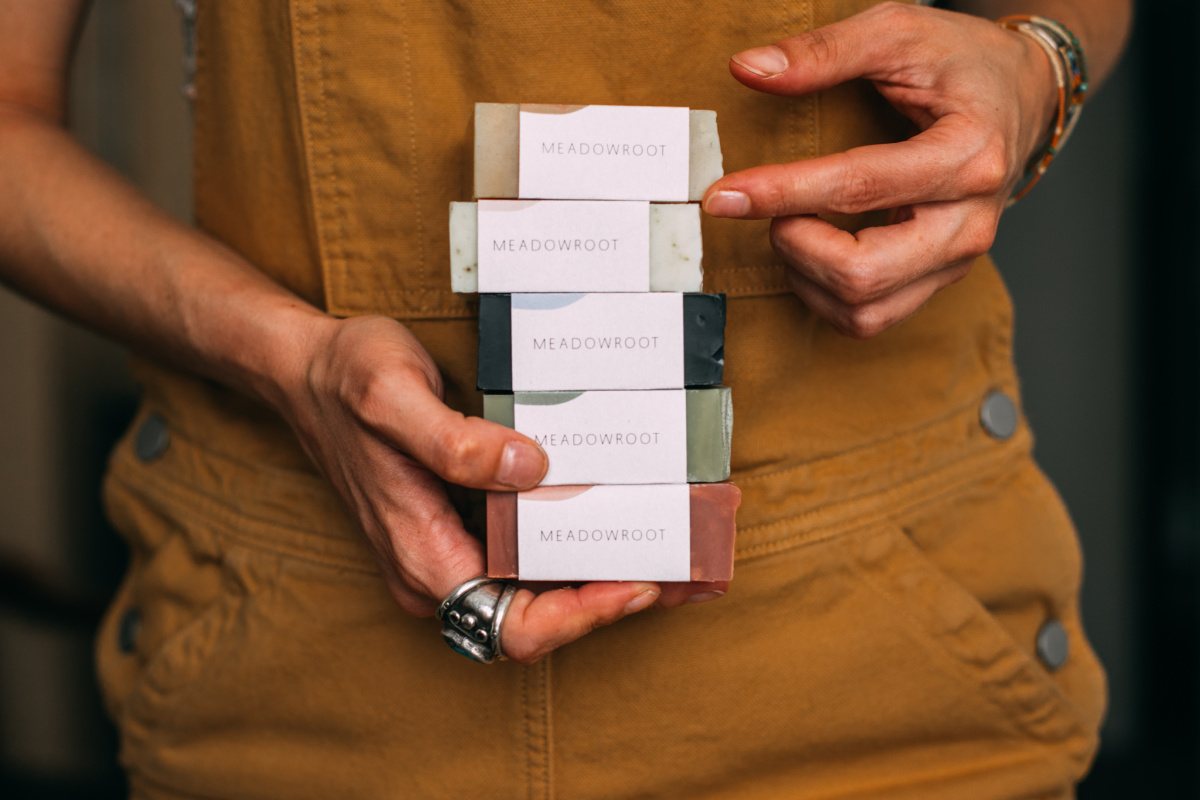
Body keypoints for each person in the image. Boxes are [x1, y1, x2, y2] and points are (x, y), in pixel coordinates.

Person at [0, 0, 1131, 796]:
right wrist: (283, 358)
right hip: (304, 674)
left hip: (876, 655)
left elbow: (1059, 19)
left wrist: (1033, 72)